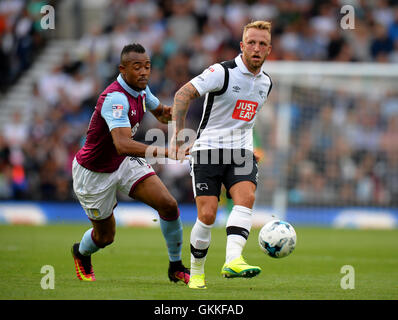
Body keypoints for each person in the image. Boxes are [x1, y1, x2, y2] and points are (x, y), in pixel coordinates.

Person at [71, 43, 190, 285]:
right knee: (105, 237)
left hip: (122, 163)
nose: (144, 72)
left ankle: (176, 267)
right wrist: (167, 151)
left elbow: (163, 114)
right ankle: (80, 253)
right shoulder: (116, 98)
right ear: (123, 69)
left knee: (168, 205)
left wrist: (182, 107)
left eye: (147, 66)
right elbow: (122, 144)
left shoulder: (142, 91)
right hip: (94, 172)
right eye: (137, 67)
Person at [170, 21, 273, 289]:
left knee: (246, 198)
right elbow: (183, 94)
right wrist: (180, 135)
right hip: (208, 151)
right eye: (251, 42)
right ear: (242, 46)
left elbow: (246, 120)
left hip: (240, 152)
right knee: (207, 214)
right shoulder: (221, 72)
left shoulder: (266, 84)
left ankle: (233, 260)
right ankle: (197, 271)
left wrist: (252, 148)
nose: (256, 48)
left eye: (262, 44)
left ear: (269, 50)